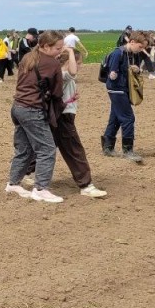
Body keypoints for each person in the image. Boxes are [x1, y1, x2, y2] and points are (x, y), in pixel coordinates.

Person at [4, 30, 66, 203]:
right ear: (46, 46)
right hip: (33, 110)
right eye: (57, 48)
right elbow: (57, 91)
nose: (59, 52)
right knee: (47, 149)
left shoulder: (28, 57)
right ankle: (40, 189)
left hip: (17, 108)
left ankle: (13, 183)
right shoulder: (52, 64)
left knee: (24, 149)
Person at [54, 48, 107, 198]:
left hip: (62, 115)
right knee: (75, 150)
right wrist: (70, 52)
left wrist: (71, 97)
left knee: (46, 147)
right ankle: (86, 185)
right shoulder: (63, 75)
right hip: (64, 117)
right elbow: (71, 72)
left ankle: (25, 174)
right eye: (78, 63)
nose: (80, 66)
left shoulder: (61, 76)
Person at [101, 31, 147, 163]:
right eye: (140, 46)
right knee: (128, 118)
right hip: (117, 90)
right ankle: (128, 151)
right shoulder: (118, 53)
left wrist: (137, 69)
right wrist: (114, 73)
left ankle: (107, 147)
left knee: (115, 118)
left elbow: (134, 69)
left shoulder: (131, 54)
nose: (141, 50)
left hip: (124, 89)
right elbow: (112, 73)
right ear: (132, 42)